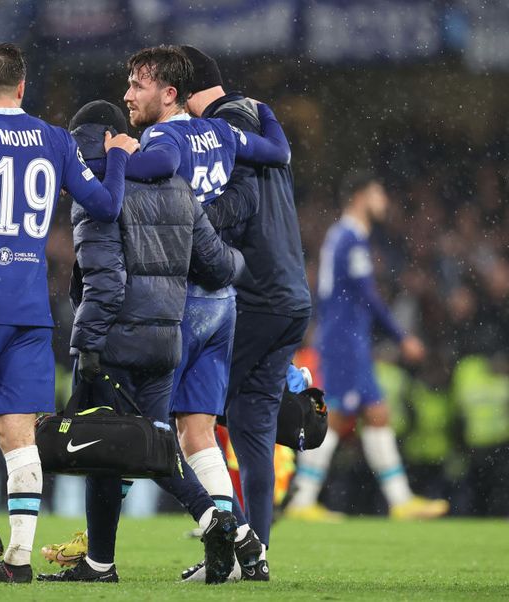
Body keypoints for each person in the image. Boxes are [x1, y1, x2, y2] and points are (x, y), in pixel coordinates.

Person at [40, 45, 292, 584]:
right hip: (218, 302)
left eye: (138, 84)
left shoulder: (161, 143)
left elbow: (163, 164)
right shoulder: (221, 133)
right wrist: (263, 109)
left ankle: (128, 550)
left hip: (174, 305)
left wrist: (113, 157)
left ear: (170, 92)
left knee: (127, 437)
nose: (129, 95)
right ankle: (239, 542)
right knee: (195, 436)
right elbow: (276, 152)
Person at [0, 43, 138, 584]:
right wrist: (121, 156)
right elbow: (106, 204)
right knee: (19, 434)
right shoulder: (55, 138)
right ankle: (17, 560)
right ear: (21, 87)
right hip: (32, 308)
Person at [180, 45, 313, 581]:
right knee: (251, 427)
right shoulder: (255, 117)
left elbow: (237, 202)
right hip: (289, 297)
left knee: (188, 411)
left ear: (183, 90)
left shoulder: (226, 124)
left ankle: (232, 549)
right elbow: (275, 162)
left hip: (257, 298)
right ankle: (254, 555)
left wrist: (186, 222)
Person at [285, 170, 449, 521]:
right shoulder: (350, 239)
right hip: (345, 341)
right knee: (339, 414)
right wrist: (402, 337)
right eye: (378, 194)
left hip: (345, 338)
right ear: (359, 197)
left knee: (375, 413)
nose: (383, 202)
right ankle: (302, 498)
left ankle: (400, 499)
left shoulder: (342, 236)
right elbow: (367, 296)